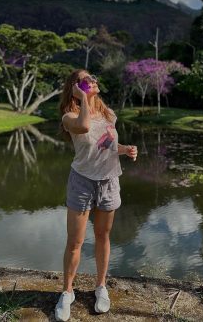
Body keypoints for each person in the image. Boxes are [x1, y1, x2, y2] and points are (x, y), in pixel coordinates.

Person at [55, 69, 137, 322]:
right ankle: (67, 292)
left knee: (103, 236)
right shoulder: (69, 116)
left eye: (93, 78)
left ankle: (101, 287)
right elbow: (84, 126)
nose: (93, 81)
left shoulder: (109, 113)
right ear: (75, 88)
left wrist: (126, 150)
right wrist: (83, 100)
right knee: (76, 242)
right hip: (82, 182)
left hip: (109, 181)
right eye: (86, 80)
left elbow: (107, 145)